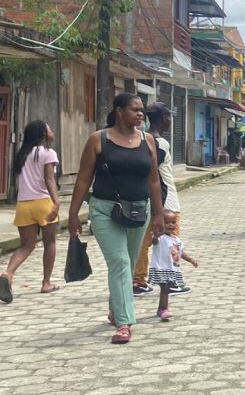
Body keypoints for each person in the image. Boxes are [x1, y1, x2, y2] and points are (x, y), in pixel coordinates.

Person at [67, 93, 166, 344]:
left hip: (139, 211)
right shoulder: (98, 139)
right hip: (104, 211)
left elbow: (154, 180)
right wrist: (73, 213)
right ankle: (124, 322)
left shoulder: (148, 140)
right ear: (119, 111)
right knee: (120, 262)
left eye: (142, 110)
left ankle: (115, 308)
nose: (140, 114)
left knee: (128, 264)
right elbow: (83, 179)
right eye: (135, 110)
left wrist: (158, 214)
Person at [133, 103, 190, 297]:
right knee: (171, 241)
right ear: (164, 118)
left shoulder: (142, 139)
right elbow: (154, 173)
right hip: (166, 202)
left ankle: (138, 281)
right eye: (169, 117)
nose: (170, 120)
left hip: (150, 200)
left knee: (144, 242)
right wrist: (162, 207)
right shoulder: (160, 143)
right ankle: (170, 281)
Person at [1, 120, 61, 302]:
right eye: (49, 128)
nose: (51, 131)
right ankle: (46, 283)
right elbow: (49, 179)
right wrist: (56, 202)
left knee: (27, 245)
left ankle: (8, 274)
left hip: (23, 205)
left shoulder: (23, 154)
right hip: (43, 202)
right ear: (43, 134)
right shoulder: (48, 153)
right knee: (50, 243)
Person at [147, 210, 198, 322]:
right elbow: (154, 242)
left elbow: (181, 253)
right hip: (161, 268)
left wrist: (191, 260)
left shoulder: (176, 239)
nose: (170, 225)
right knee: (165, 288)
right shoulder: (160, 237)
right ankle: (164, 309)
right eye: (166, 222)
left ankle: (161, 309)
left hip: (172, 269)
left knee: (166, 288)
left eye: (173, 222)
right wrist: (156, 235)